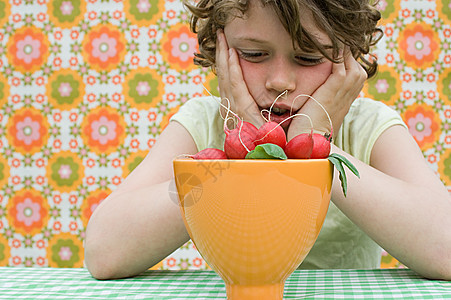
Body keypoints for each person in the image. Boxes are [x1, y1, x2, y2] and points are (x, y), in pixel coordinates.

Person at [84, 0, 451, 280]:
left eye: (307, 57)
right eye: (254, 54)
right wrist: (244, 149)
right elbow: (104, 252)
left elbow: (445, 248)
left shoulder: (369, 127)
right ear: (220, 51)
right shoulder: (202, 123)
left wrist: (312, 143)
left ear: (349, 60)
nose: (279, 81)